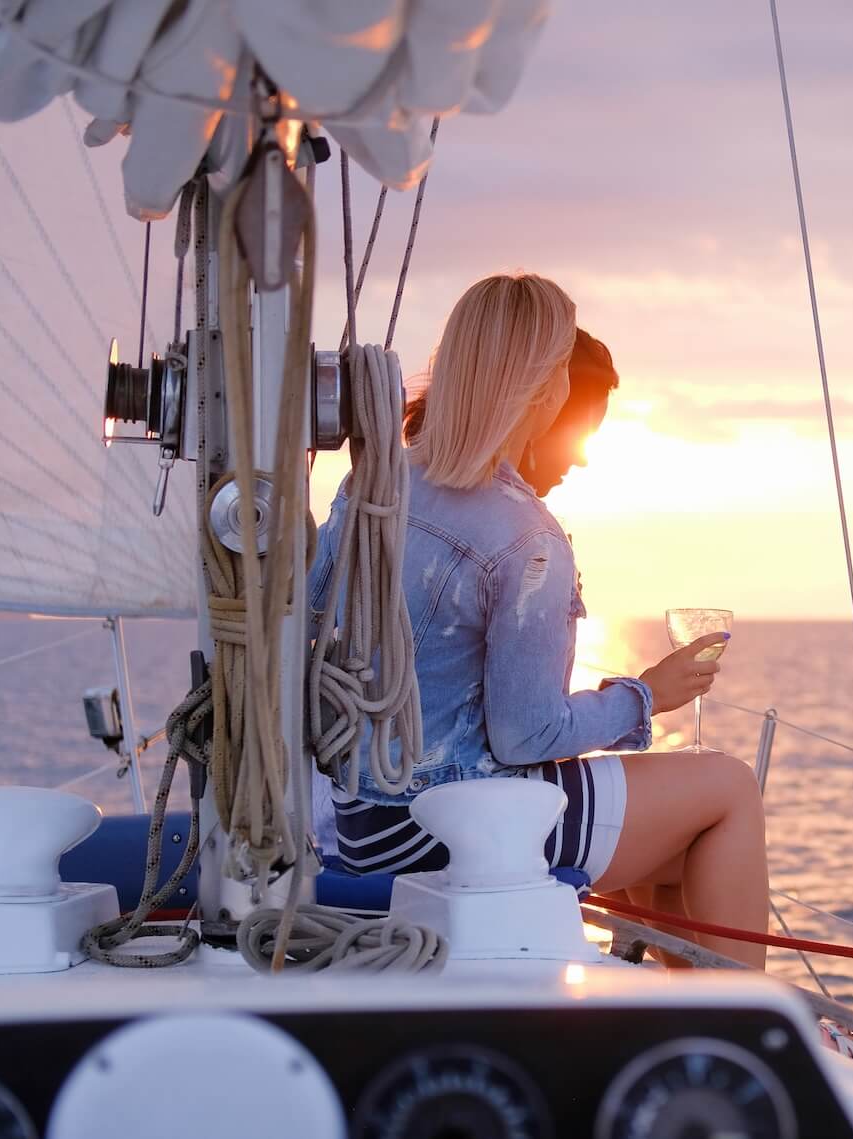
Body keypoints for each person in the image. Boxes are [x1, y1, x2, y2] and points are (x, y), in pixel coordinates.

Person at [308, 273, 767, 969]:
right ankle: (745, 1026)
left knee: (672, 830)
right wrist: (647, 695)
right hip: (451, 832)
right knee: (727, 787)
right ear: (546, 390)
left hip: (365, 823)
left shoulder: (373, 487)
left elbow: (314, 613)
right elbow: (527, 737)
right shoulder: (526, 539)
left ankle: (687, 1006)